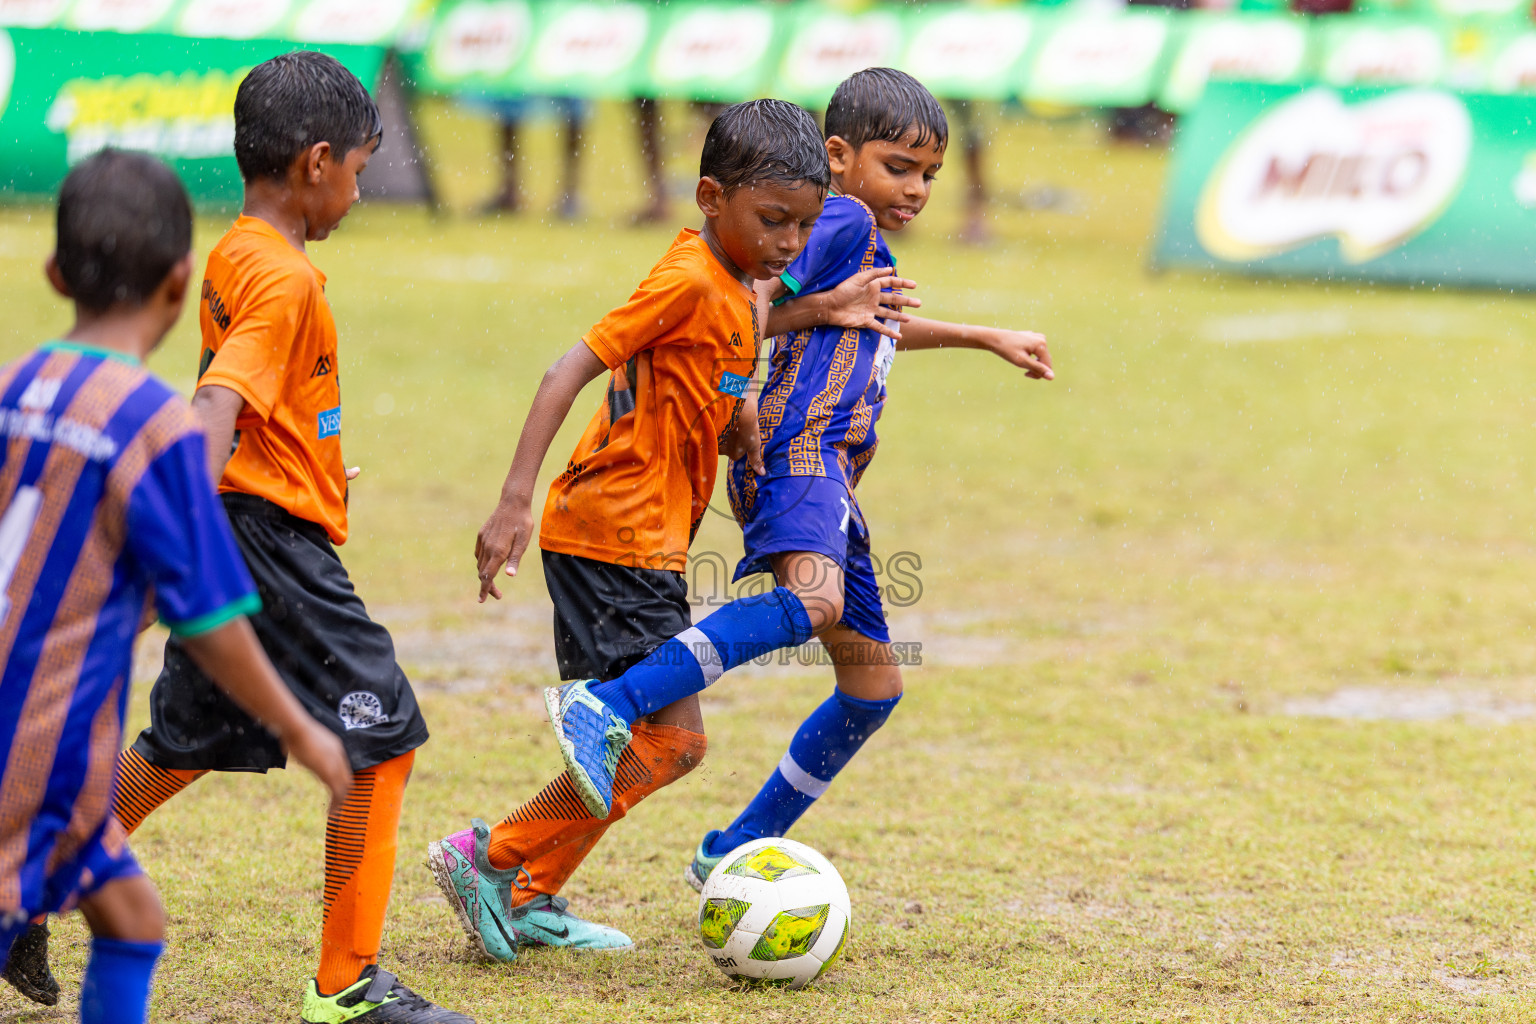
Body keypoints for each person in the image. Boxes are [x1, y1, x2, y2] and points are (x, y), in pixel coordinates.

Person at [512, 68, 1052, 893]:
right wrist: (821, 313)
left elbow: (868, 321)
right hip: (800, 451)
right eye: (898, 166)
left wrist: (984, 336)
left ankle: (734, 841)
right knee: (813, 604)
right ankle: (613, 707)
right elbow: (743, 308)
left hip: (834, 473)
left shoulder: (841, 225)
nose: (916, 189)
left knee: (872, 687)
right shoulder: (836, 216)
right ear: (838, 157)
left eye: (930, 174)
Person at [21, 52, 473, 1024]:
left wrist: (302, 464)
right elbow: (219, 404)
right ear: (316, 164)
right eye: (359, 167)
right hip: (265, 543)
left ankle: (26, 891)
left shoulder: (231, 250)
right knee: (381, 734)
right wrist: (197, 505)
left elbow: (247, 397)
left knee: (184, 740)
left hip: (254, 512)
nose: (358, 186)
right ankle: (347, 982)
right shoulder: (290, 279)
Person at [427, 98, 916, 961]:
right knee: (672, 739)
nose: (787, 246)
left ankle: (526, 884)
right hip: (610, 530)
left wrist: (744, 431)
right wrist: (512, 497)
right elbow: (572, 363)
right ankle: (493, 857)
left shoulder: (734, 289)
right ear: (708, 197)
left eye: (802, 227)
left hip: (639, 539)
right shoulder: (690, 277)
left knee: (662, 743)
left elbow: (715, 375)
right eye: (772, 221)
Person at [0, 148, 353, 1024]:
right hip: (39, 745)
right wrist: (299, 728)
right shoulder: (153, 424)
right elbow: (213, 620)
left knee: (133, 917)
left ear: (53, 274)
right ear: (179, 284)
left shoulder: (15, 386)